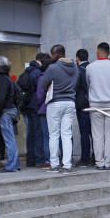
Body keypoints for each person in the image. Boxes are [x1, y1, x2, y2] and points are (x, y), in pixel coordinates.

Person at [37, 44, 80, 173]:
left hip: (55, 102)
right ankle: (67, 164)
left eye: (52, 54)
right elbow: (76, 83)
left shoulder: (52, 68)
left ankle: (54, 164)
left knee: (54, 134)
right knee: (66, 134)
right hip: (70, 102)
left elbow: (43, 84)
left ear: (56, 54)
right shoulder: (74, 67)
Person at [86, 42, 110, 170]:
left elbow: (88, 83)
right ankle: (108, 162)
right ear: (109, 52)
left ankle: (99, 162)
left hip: (95, 103)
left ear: (97, 52)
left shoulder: (90, 67)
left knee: (97, 134)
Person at [0, 56, 21, 173]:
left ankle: (12, 165)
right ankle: (15, 164)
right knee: (11, 138)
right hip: (11, 110)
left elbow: (0, 98)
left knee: (9, 139)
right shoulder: (8, 79)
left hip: (5, 111)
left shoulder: (1, 80)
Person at [18, 53, 50, 168]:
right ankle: (39, 159)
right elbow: (40, 92)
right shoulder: (38, 73)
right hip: (35, 106)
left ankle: (30, 159)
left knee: (30, 133)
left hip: (26, 107)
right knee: (38, 133)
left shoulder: (27, 71)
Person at [75, 48, 93, 166]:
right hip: (94, 103)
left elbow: (75, 87)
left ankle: (85, 158)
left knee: (84, 132)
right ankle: (96, 155)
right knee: (94, 132)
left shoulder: (79, 71)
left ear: (77, 58)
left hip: (82, 105)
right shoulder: (92, 68)